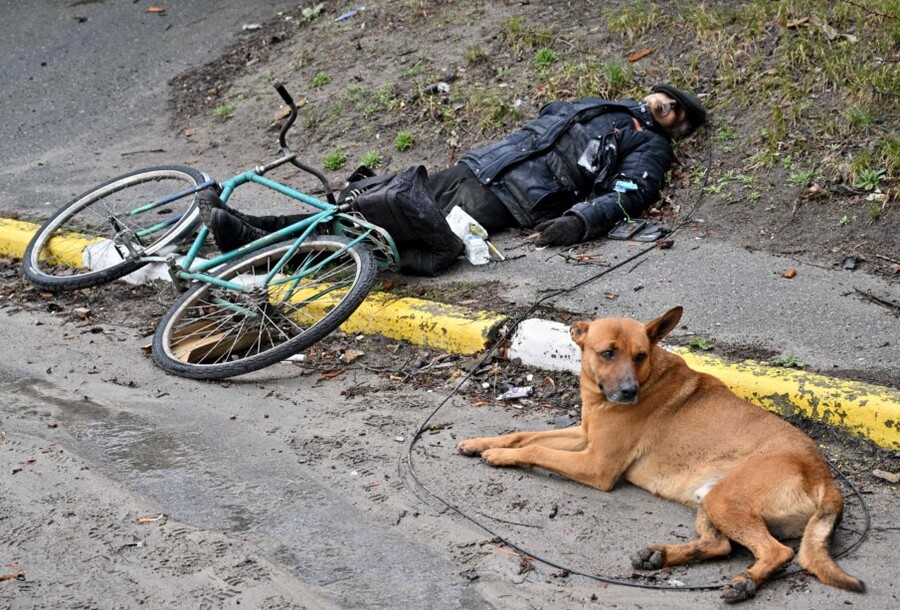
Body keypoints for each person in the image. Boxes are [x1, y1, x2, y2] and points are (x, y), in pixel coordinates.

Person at [206, 84, 706, 256]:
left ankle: (259, 244)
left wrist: (578, 222)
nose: (668, 107)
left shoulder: (649, 147)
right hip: (476, 167)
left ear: (677, 127)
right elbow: (549, 117)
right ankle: (259, 232)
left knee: (391, 235)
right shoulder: (607, 106)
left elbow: (628, 195)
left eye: (677, 112)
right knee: (369, 203)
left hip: (507, 199)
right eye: (668, 100)